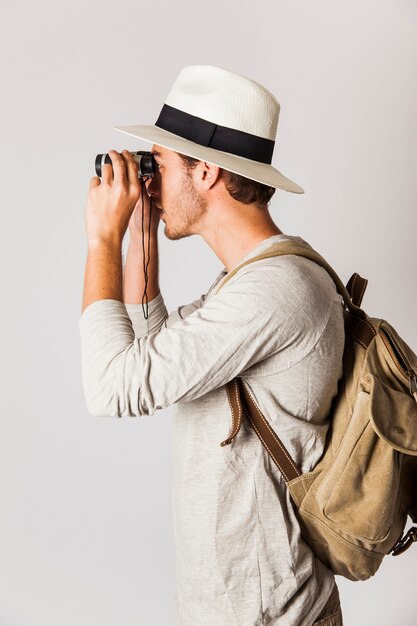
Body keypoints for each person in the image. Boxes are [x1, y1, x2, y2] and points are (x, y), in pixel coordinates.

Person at [80, 65, 344, 625]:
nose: (148, 179)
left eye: (162, 163)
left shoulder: (276, 289)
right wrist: (142, 234)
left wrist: (101, 237)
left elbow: (114, 385)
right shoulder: (250, 282)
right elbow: (153, 353)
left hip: (269, 614)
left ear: (205, 171)